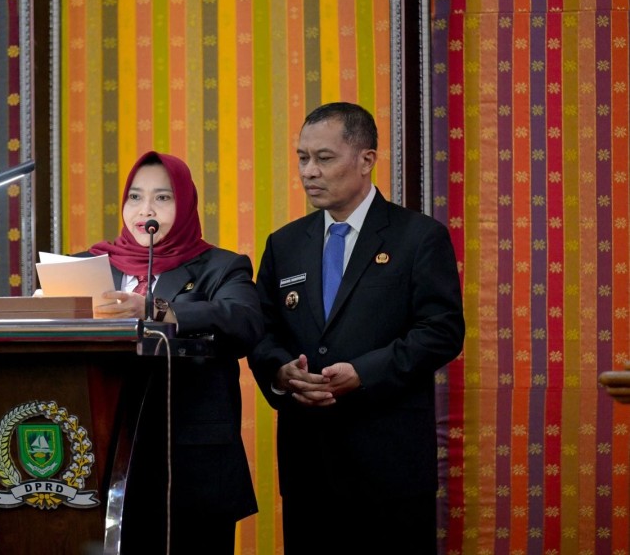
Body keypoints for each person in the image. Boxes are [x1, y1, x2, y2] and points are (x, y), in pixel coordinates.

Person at [247, 102, 465, 553]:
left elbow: (441, 330)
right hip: (309, 462)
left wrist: (364, 372)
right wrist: (281, 373)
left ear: (366, 159)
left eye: (324, 158)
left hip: (390, 461)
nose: (309, 171)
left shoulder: (418, 237)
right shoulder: (285, 243)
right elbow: (262, 330)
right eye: (302, 158)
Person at [85, 151, 260, 554]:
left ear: (185, 205)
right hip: (99, 460)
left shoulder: (220, 267)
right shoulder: (89, 267)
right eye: (135, 197)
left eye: (163, 198)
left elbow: (244, 320)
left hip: (190, 468)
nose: (145, 209)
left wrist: (157, 309)